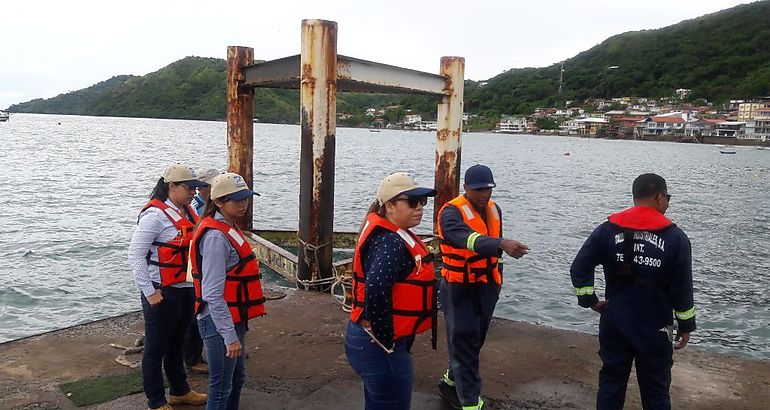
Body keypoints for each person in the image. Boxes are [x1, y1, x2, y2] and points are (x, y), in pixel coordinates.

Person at [570, 173, 696, 410]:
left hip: (615, 321)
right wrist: (686, 326)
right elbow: (682, 289)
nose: (667, 203)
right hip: (657, 327)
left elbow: (579, 267)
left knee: (611, 384)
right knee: (656, 390)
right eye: (667, 197)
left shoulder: (607, 230)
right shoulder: (676, 239)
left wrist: (591, 300)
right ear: (659, 198)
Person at [436, 164, 530, 410]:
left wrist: (498, 272)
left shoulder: (494, 209)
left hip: (487, 286)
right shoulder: (450, 213)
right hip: (459, 287)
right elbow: (464, 237)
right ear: (465, 187)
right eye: (478, 190)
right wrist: (501, 243)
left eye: (487, 189)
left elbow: (492, 241)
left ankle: (450, 380)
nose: (483, 195)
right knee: (465, 339)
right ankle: (469, 402)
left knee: (473, 339)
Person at [346, 172, 438, 410]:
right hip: (377, 346)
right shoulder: (390, 242)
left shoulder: (393, 234)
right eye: (412, 202)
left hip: (366, 340)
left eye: (423, 202)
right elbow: (376, 287)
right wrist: (386, 339)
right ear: (389, 206)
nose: (420, 208)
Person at [128, 163, 209, 410]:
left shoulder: (187, 212)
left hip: (185, 288)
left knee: (178, 342)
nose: (193, 193)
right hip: (162, 290)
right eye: (189, 188)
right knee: (155, 348)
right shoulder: (155, 216)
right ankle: (156, 400)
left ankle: (179, 391)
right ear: (172, 187)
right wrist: (149, 292)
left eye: (195, 188)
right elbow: (135, 255)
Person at [190, 172, 266, 410]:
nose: (243, 204)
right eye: (237, 200)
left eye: (246, 198)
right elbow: (212, 293)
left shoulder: (228, 226)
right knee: (221, 386)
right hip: (219, 322)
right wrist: (229, 336)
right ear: (219, 202)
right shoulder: (215, 237)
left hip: (234, 318)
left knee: (236, 379)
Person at [185, 167, 221, 374]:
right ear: (205, 188)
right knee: (197, 311)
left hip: (200, 267)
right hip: (197, 268)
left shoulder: (201, 207)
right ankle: (193, 357)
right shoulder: (199, 209)